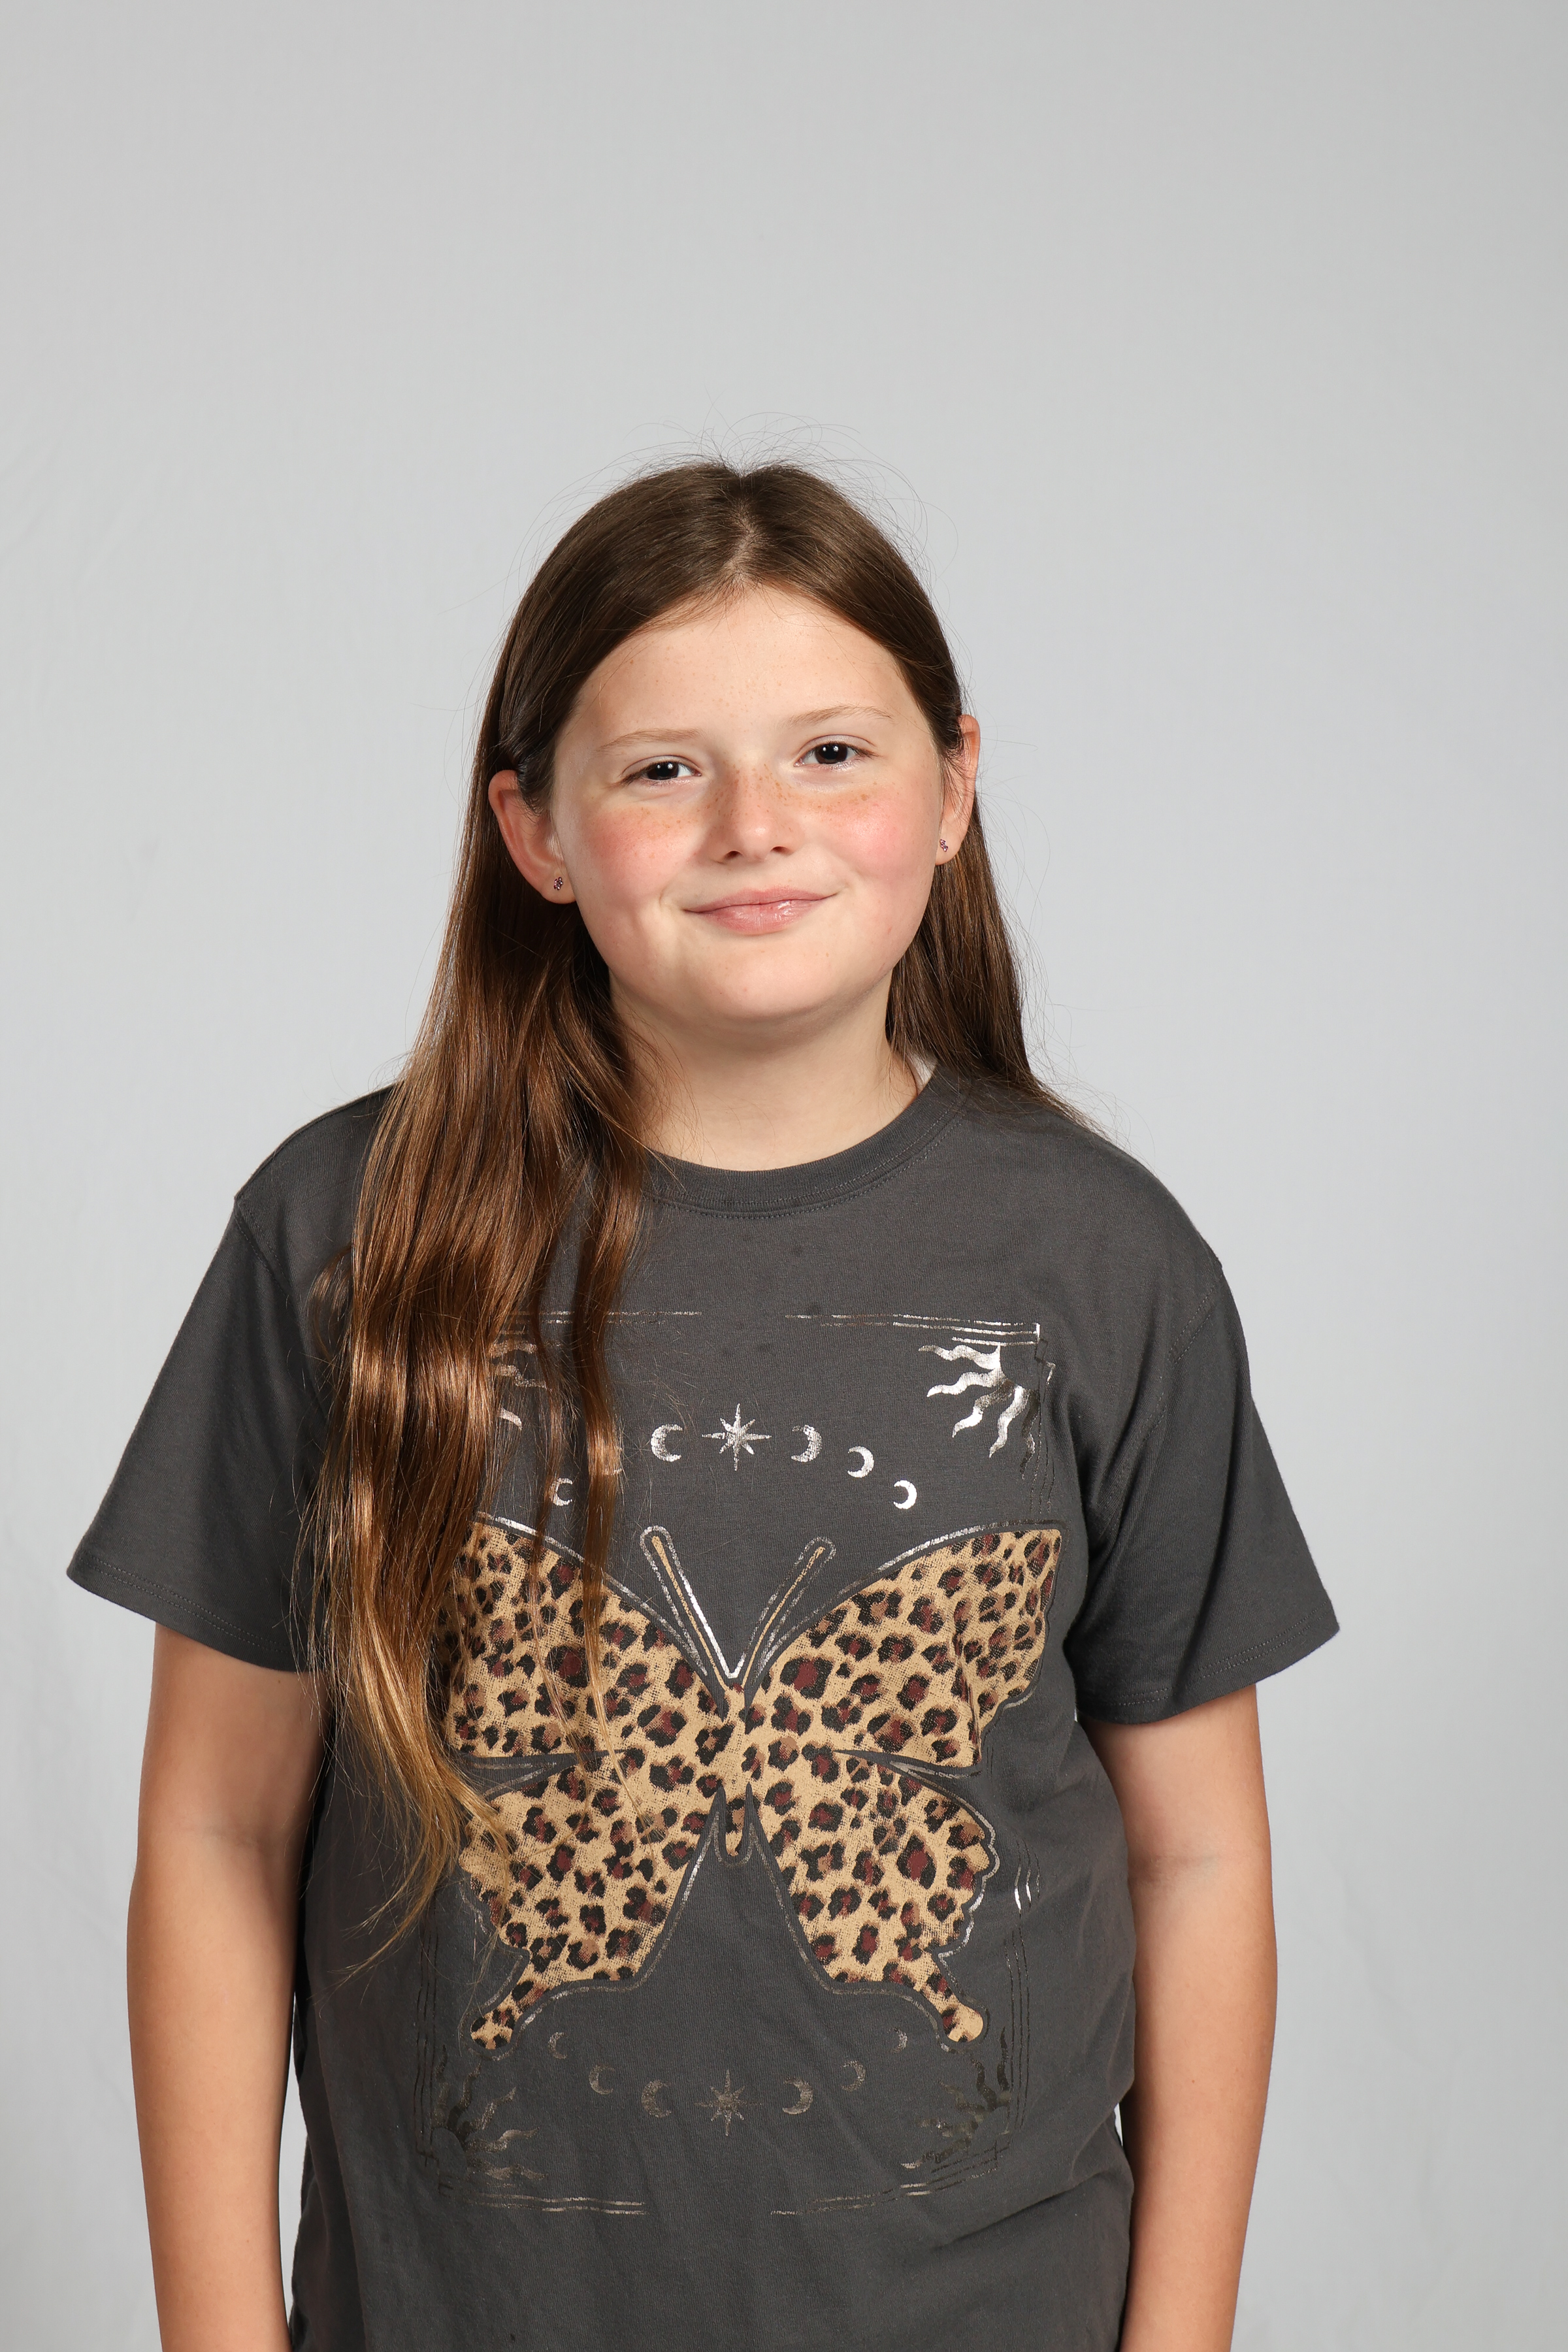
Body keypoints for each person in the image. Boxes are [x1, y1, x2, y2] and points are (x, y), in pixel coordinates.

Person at [70, 459, 1337, 2352]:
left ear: (953, 791)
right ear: (535, 830)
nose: (756, 826)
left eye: (831, 753)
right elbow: (216, 1839)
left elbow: (1198, 1856)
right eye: (664, 768)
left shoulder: (1101, 1261)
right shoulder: (344, 1237)